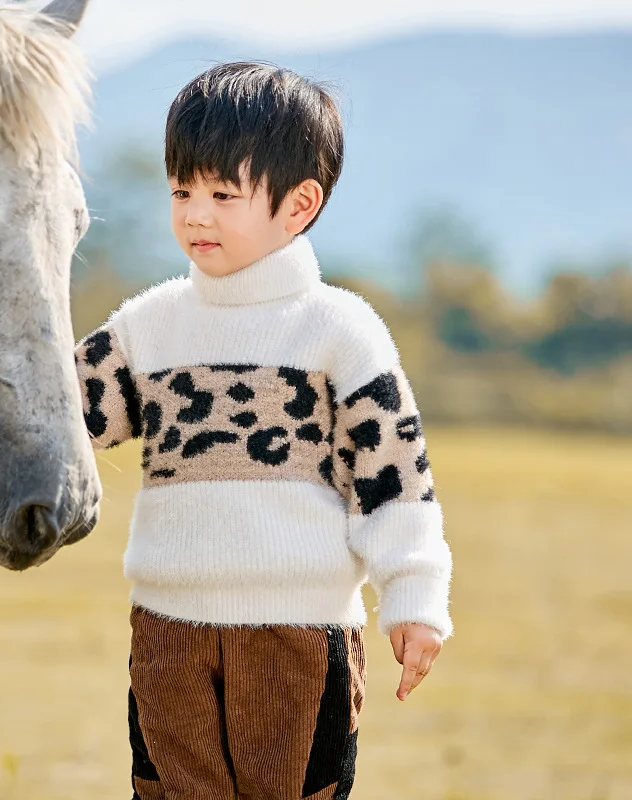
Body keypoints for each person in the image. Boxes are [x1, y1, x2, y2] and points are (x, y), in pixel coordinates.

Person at [75, 61, 453, 800]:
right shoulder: (149, 326)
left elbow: (395, 478)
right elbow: (63, 414)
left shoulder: (339, 332)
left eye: (223, 194)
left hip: (298, 637)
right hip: (167, 635)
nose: (195, 214)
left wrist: (414, 601)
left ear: (299, 204)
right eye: (182, 191)